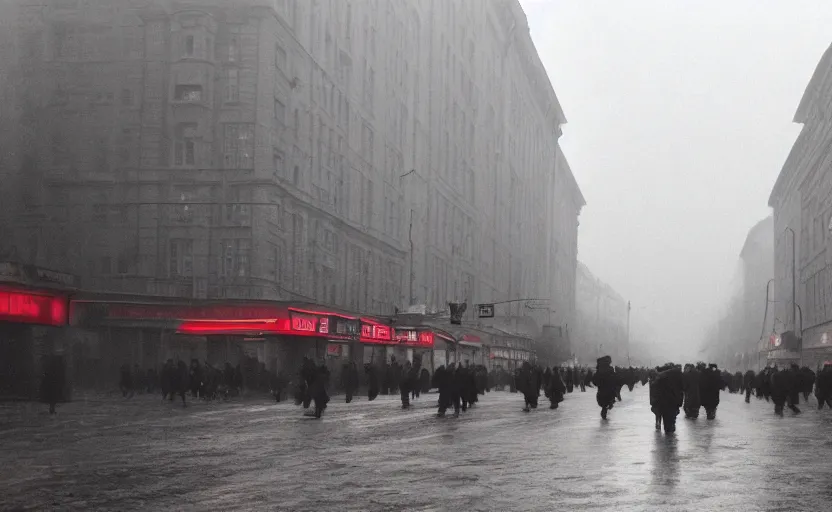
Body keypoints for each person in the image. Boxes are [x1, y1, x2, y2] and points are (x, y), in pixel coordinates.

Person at [651, 363, 684, 434]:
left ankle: (667, 434)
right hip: (674, 401)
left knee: (666, 419)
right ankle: (671, 435)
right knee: (671, 420)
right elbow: (682, 389)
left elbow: (655, 390)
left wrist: (654, 402)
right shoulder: (678, 375)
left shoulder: (660, 377)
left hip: (664, 402)